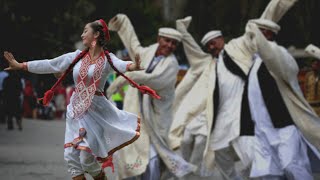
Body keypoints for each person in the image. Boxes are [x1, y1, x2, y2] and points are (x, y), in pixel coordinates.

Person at [2, 18, 158, 180]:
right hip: (75, 109)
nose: (82, 35)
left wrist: (133, 66)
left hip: (96, 111)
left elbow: (122, 65)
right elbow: (51, 64)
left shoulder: (108, 59)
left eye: (85, 31)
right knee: (71, 158)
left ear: (96, 34)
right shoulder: (76, 56)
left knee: (86, 158)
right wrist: (22, 65)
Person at [107, 14, 195, 179]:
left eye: (173, 43)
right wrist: (123, 22)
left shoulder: (172, 65)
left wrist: (121, 81)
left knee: (153, 159)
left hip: (156, 121)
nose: (169, 45)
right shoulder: (147, 52)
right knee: (129, 155)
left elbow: (151, 80)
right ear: (159, 39)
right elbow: (134, 46)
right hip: (136, 114)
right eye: (166, 41)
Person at [244, 18, 320, 179]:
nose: (250, 38)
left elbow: (280, 62)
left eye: (255, 34)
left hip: (283, 125)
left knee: (291, 165)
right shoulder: (254, 61)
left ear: (267, 34)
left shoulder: (279, 55)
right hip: (261, 128)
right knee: (268, 172)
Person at [169, 16, 228, 179]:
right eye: (209, 45)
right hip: (197, 111)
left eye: (214, 42)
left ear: (222, 40)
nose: (211, 47)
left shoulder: (234, 58)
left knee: (202, 141)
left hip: (216, 111)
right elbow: (191, 47)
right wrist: (182, 30)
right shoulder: (206, 61)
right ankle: (184, 170)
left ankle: (191, 172)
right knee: (186, 139)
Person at [304, 44, 320, 116]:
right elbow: (305, 90)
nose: (315, 66)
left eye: (317, 64)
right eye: (313, 64)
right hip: (310, 107)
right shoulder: (308, 76)